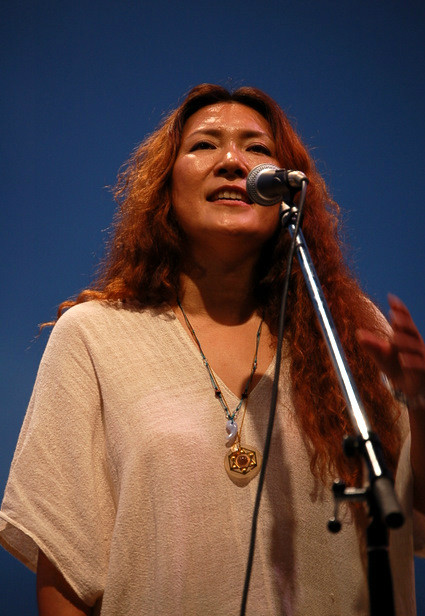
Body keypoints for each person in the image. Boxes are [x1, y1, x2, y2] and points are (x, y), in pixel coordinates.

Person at [0, 84, 424, 616]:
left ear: (287, 190)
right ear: (165, 186)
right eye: (205, 145)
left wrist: (421, 404)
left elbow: (415, 515)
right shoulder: (95, 336)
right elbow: (65, 565)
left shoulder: (345, 331)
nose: (232, 161)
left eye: (257, 148)